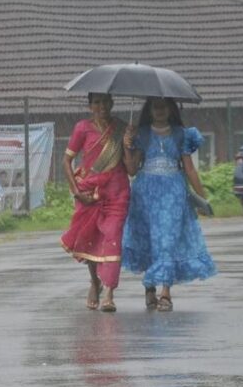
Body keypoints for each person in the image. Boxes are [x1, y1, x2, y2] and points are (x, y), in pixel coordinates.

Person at [121, 97, 216, 311]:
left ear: (172, 109)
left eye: (165, 106)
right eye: (156, 106)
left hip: (173, 193)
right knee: (149, 240)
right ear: (150, 110)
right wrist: (127, 146)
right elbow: (132, 169)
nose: (161, 110)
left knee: (167, 241)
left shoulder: (183, 134)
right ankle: (150, 286)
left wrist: (202, 198)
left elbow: (189, 168)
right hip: (145, 193)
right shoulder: (141, 133)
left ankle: (166, 292)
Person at [60, 92, 132, 312]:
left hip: (117, 191)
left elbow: (131, 168)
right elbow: (67, 160)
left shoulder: (122, 128)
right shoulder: (82, 128)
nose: (101, 106)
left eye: (105, 102)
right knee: (90, 237)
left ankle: (109, 292)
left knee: (112, 236)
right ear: (90, 106)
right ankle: (95, 281)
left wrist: (128, 145)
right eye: (96, 102)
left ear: (112, 103)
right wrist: (76, 192)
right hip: (89, 192)